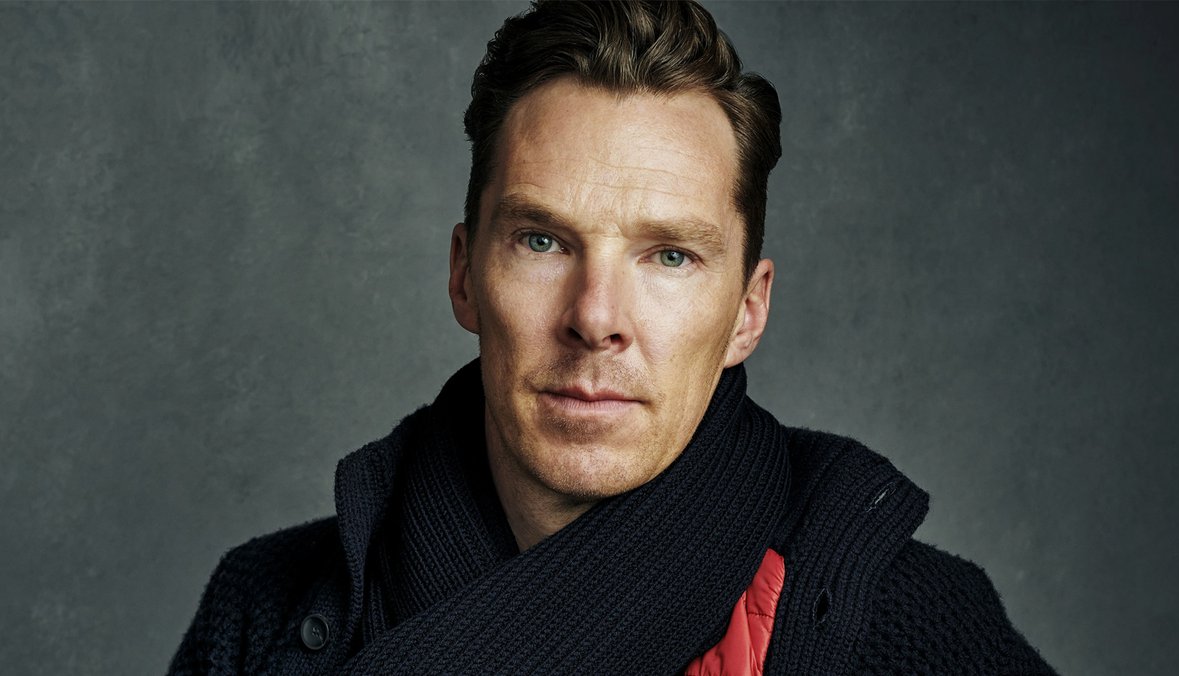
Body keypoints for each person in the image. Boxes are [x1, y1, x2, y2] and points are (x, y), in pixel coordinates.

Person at [170, 1, 1056, 673]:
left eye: (670, 256)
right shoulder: (261, 612)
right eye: (542, 242)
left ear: (747, 312)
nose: (596, 317)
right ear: (464, 275)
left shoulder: (906, 628)